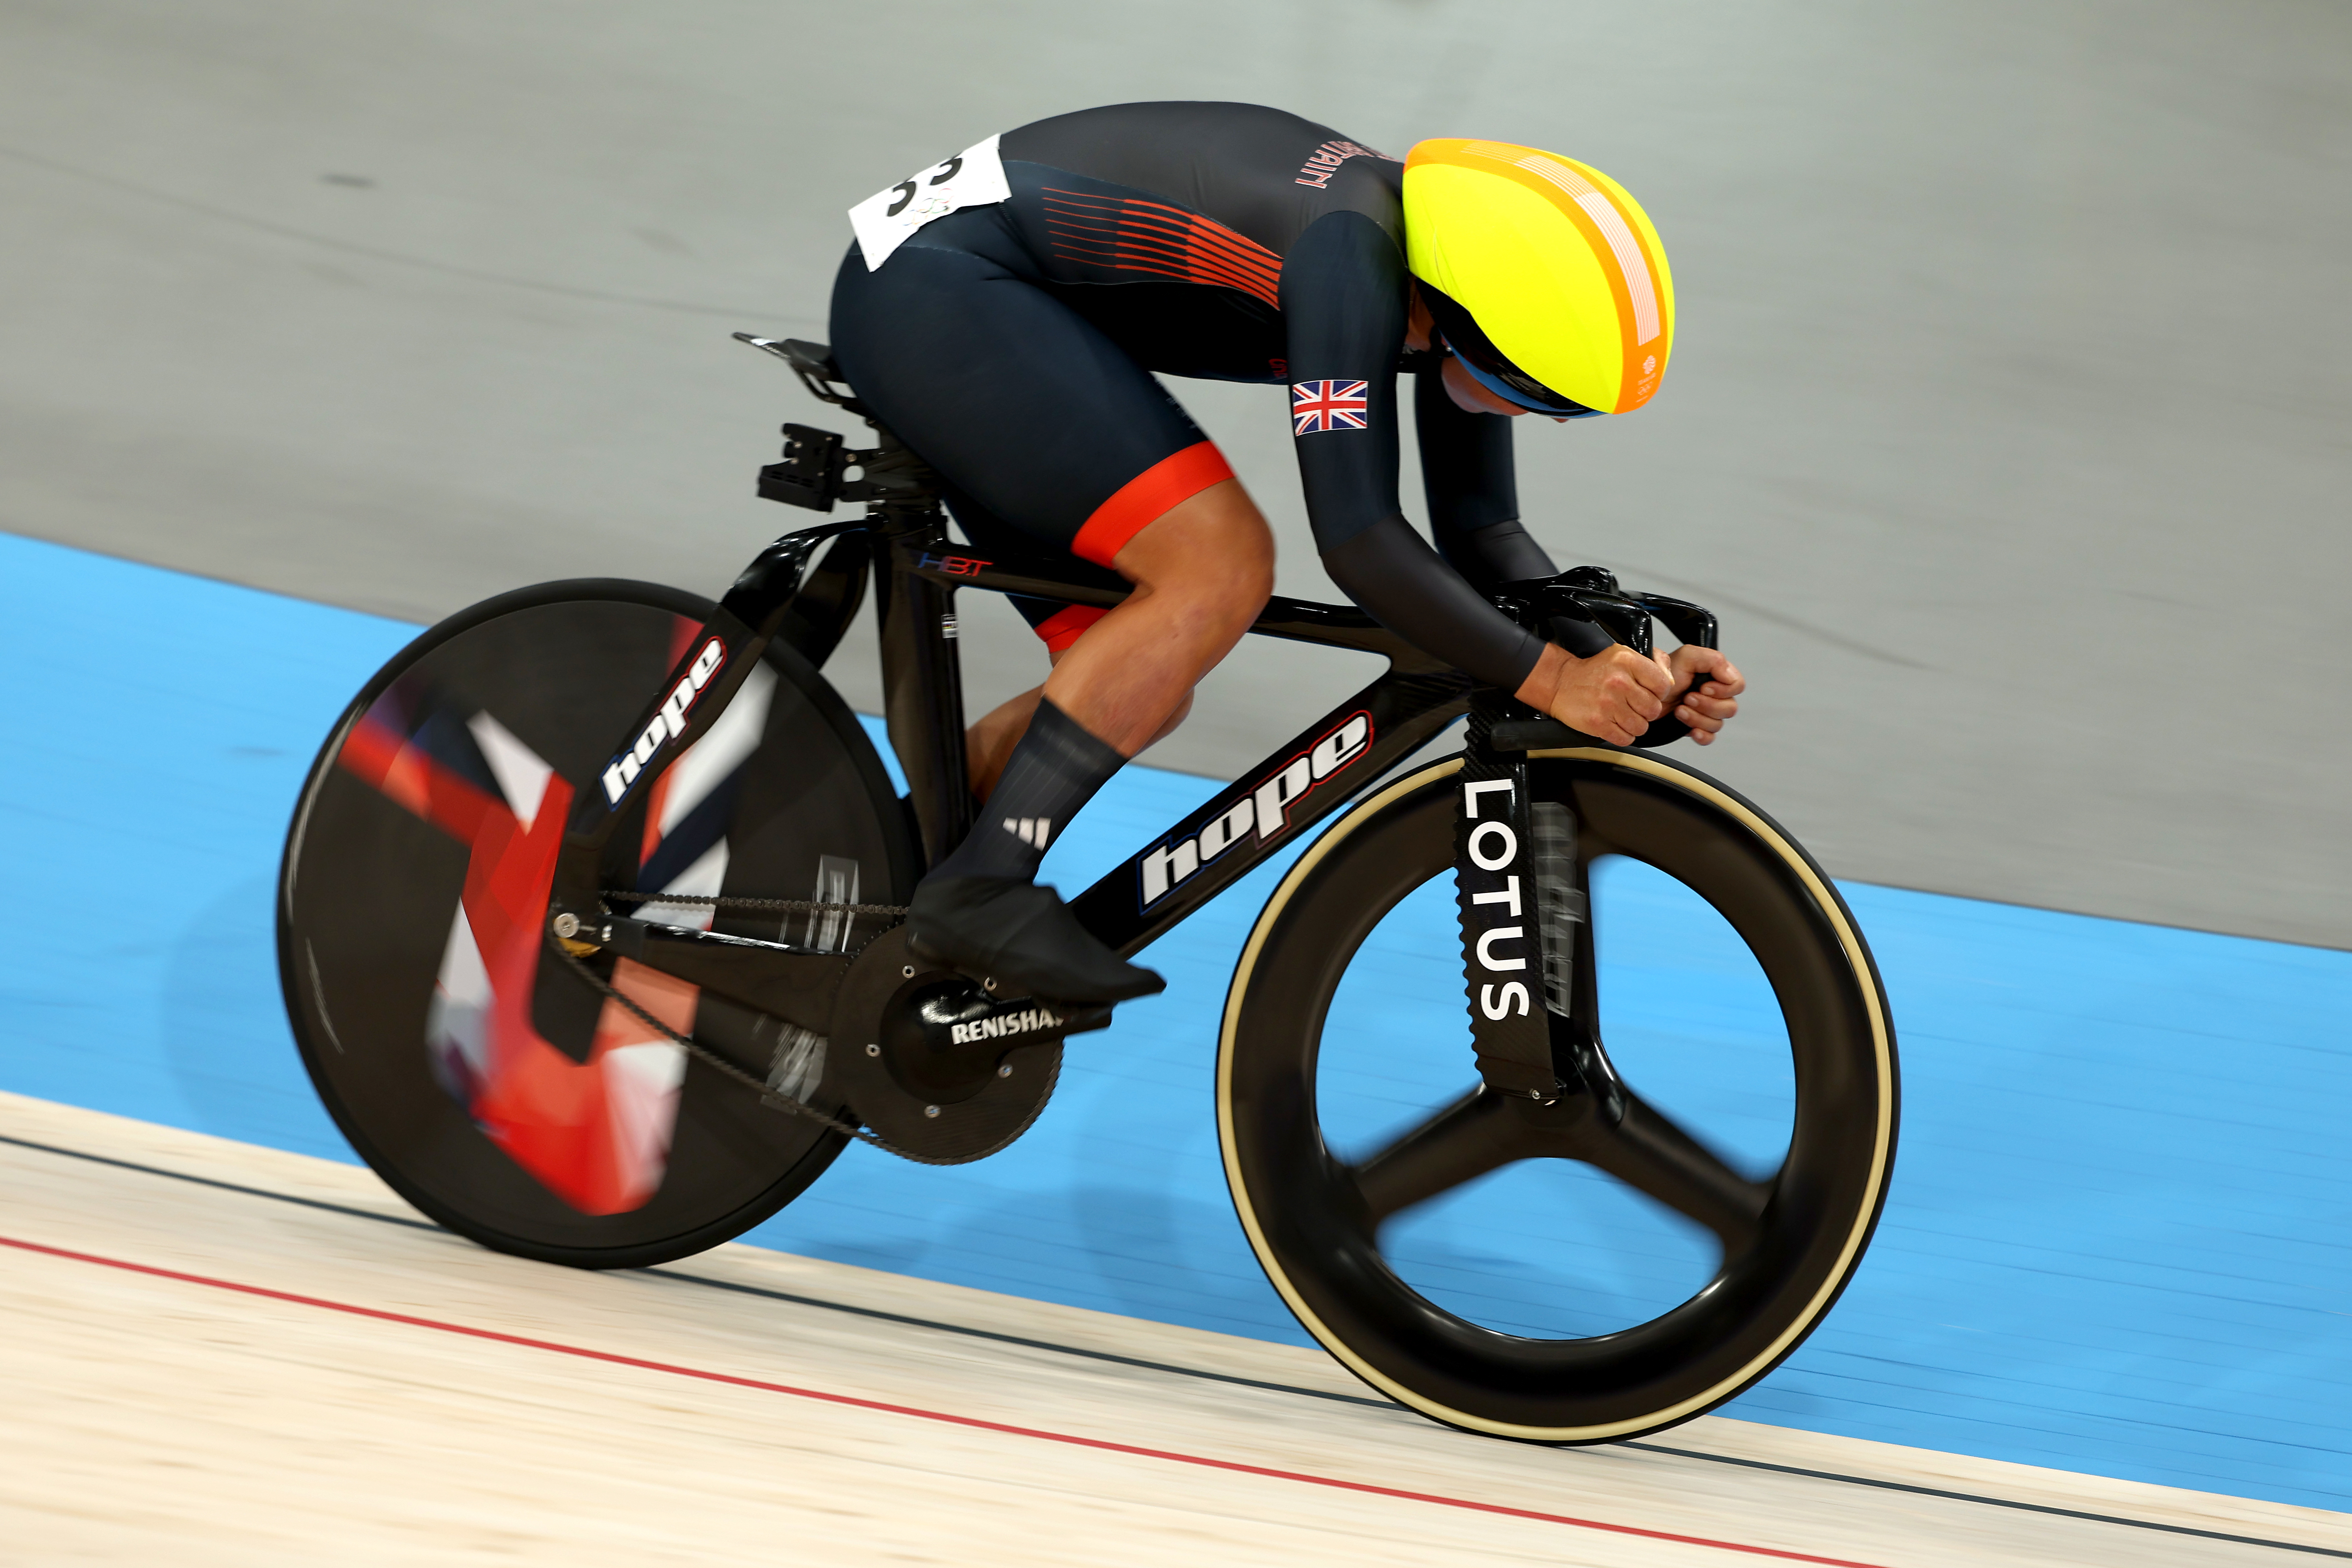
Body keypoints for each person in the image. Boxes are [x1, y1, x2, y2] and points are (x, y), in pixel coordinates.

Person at [827, 102, 1744, 1005]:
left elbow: (1482, 532)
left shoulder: (1440, 279)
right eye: (1539, 393)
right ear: (1477, 324)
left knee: (1141, 678)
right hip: (934, 287)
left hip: (995, 296)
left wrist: (1612, 667)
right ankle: (979, 889)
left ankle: (861, 888)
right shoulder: (1348, 256)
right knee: (1216, 568)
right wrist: (1550, 678)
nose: (1546, 419)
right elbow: (1358, 537)